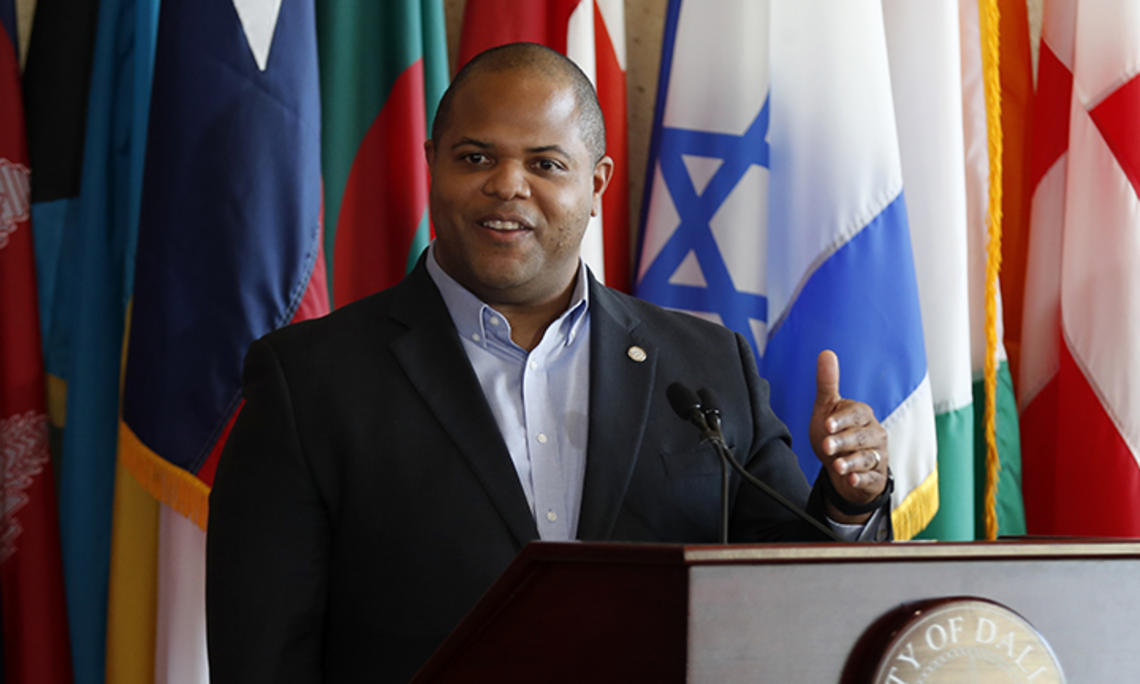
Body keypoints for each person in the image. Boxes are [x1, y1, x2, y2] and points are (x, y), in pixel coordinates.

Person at [205, 42, 892, 683]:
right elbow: (264, 651)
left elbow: (784, 583)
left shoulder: (708, 363)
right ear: (432, 163)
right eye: (475, 158)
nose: (507, 186)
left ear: (596, 183)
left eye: (545, 163)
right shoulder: (308, 379)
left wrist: (846, 501)